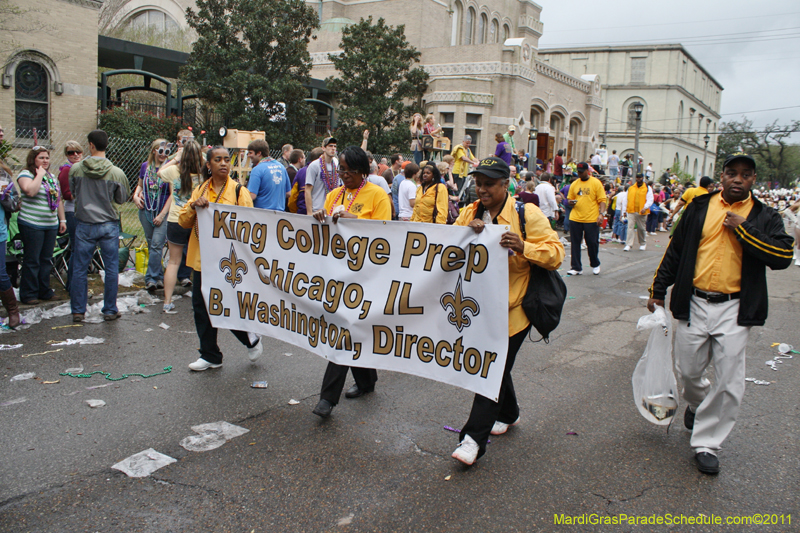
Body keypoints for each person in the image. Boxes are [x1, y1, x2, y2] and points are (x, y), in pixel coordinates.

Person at [647, 153, 793, 475]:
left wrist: (744, 230)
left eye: (745, 174)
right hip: (694, 302)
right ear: (721, 176)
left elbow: (782, 255)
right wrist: (658, 291)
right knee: (689, 372)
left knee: (729, 380)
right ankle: (698, 404)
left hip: (736, 308)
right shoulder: (699, 207)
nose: (737, 179)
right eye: (731, 173)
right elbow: (676, 250)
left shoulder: (764, 215)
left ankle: (706, 443)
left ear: (754, 179)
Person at [451, 156, 564, 465]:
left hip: (514, 311)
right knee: (498, 367)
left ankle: (473, 439)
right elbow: (445, 246)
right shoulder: (468, 213)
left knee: (490, 369)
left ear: (505, 185)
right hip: (478, 311)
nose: (482, 190)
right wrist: (466, 232)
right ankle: (510, 412)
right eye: (478, 184)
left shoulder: (526, 214)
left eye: (489, 184)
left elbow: (556, 254)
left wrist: (524, 246)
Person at [310, 146, 391, 418]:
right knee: (351, 329)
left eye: (348, 170)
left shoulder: (378, 195)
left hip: (366, 276)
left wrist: (354, 220)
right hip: (338, 275)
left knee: (344, 329)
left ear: (361, 171)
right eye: (340, 170)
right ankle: (367, 381)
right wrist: (319, 217)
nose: (343, 175)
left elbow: (387, 236)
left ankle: (327, 399)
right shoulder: (334, 195)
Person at [178, 147, 261, 371]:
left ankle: (250, 338)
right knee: (201, 307)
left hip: (229, 262)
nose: (223, 163)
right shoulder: (200, 189)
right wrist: (195, 207)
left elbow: (249, 226)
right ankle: (210, 355)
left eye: (227, 160)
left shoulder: (238, 191)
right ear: (209, 165)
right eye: (218, 160)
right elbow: (183, 222)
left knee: (227, 306)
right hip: (202, 260)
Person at [69, 130, 129, 322]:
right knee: (111, 268)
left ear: (91, 145)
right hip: (108, 224)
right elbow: (121, 199)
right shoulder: (116, 172)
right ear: (106, 145)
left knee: (79, 268)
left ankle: (78, 310)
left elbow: (73, 192)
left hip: (85, 223)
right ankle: (110, 309)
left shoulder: (76, 170)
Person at [16, 147, 67, 304]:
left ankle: (44, 291)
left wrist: (62, 220)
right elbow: (30, 191)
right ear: (33, 160)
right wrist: (39, 175)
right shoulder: (26, 174)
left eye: (47, 158)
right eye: (41, 158)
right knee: (32, 259)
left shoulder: (51, 177)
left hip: (50, 225)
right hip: (32, 224)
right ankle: (28, 294)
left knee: (46, 259)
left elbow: (57, 199)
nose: (45, 161)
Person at [159, 140, 204, 313]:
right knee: (200, 261)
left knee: (173, 261)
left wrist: (175, 158)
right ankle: (202, 301)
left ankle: (167, 301)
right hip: (196, 220)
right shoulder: (203, 173)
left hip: (176, 219)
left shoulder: (174, 171)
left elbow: (159, 172)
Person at [134, 139, 172, 292]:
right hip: (146, 210)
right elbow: (139, 184)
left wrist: (162, 215)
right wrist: (136, 196)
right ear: (154, 150)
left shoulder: (170, 168)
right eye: (160, 150)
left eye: (166, 151)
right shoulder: (146, 166)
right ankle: (159, 277)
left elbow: (173, 194)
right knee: (152, 244)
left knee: (157, 244)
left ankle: (151, 279)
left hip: (162, 211)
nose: (163, 154)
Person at [566, 162, 607, 276]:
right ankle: (576, 267)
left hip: (591, 218)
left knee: (592, 243)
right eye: (578, 171)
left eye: (581, 172)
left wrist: (601, 214)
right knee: (575, 243)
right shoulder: (574, 184)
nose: (579, 174)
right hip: (575, 217)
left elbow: (602, 200)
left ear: (587, 171)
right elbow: (570, 198)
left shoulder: (595, 183)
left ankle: (595, 264)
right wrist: (570, 202)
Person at [57, 141, 83, 291]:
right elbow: (66, 195)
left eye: (77, 152)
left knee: (80, 248)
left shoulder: (79, 168)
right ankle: (73, 284)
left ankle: (75, 283)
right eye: (70, 153)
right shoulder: (67, 170)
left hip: (81, 211)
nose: (75, 155)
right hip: (72, 212)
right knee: (77, 248)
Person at [245, 139, 291, 211]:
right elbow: (288, 193)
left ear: (259, 153)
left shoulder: (257, 169)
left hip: (262, 215)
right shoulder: (281, 167)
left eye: (250, 153)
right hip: (280, 215)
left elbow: (251, 196)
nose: (248, 155)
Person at [305, 137, 339, 215]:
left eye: (335, 146)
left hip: (332, 210)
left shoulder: (337, 164)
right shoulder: (314, 165)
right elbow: (307, 190)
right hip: (317, 210)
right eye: (330, 146)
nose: (333, 148)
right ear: (323, 148)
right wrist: (309, 213)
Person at [623, 173, 653, 252]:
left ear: (642, 178)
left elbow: (650, 199)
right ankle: (628, 244)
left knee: (641, 228)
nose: (638, 179)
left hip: (641, 211)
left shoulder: (647, 188)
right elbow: (626, 199)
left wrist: (645, 207)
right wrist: (624, 211)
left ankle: (643, 243)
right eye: (637, 177)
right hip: (631, 210)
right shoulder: (631, 188)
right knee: (630, 227)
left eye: (640, 177)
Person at [290, 147, 321, 216]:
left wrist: (294, 212)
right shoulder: (326, 173)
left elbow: (293, 197)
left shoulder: (301, 172)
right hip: (321, 212)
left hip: (302, 213)